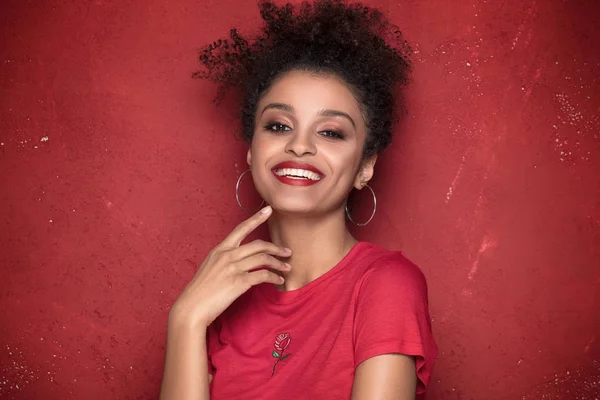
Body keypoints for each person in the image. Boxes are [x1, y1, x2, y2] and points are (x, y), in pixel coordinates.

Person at [160, 1, 437, 399]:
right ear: (252, 151)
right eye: (278, 125)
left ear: (364, 167)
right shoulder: (219, 298)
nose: (299, 145)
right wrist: (185, 320)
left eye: (330, 132)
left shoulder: (386, 285)